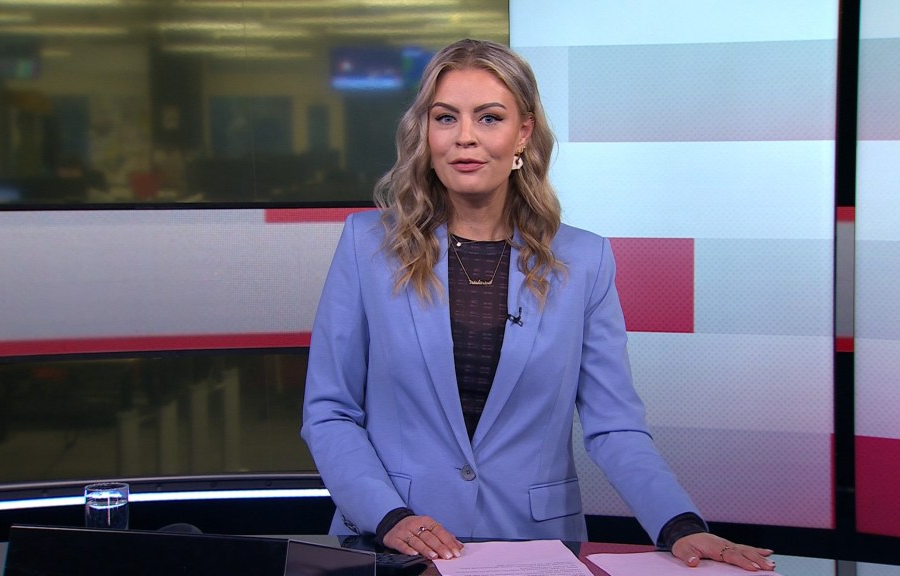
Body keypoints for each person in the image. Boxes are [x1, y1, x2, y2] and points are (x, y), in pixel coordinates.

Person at [301, 38, 775, 571]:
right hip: (392, 544)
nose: (464, 137)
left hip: (534, 549)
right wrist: (389, 517)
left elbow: (613, 425)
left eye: (489, 118)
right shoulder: (367, 245)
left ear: (523, 133)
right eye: (445, 117)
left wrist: (679, 525)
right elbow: (330, 410)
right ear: (425, 131)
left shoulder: (584, 259)